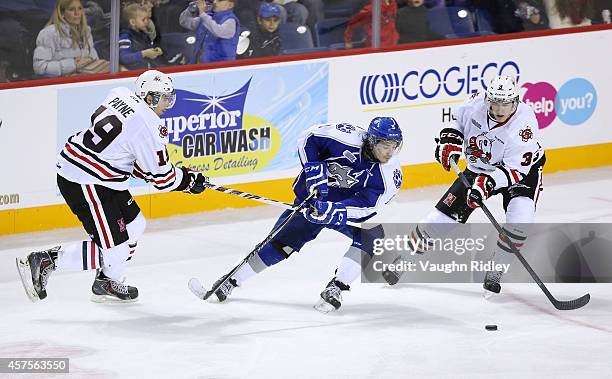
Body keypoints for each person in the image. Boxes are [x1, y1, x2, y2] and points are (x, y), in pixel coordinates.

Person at [16, 70, 208, 303]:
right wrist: (188, 181)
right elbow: (162, 179)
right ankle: (47, 260)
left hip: (98, 174)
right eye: (162, 97)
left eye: (170, 97)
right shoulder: (149, 126)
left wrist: (159, 172)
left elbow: (122, 152)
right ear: (149, 97)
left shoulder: (119, 94)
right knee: (115, 251)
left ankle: (106, 281)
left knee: (135, 225)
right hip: (86, 181)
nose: (168, 103)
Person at [209, 117, 404, 313]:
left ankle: (336, 288)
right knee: (279, 245)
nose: (390, 152)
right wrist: (314, 171)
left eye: (394, 145)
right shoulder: (346, 137)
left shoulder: (390, 174)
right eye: (386, 145)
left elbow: (368, 205)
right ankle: (232, 280)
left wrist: (337, 210)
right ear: (372, 141)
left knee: (372, 235)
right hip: (310, 205)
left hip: (338, 211)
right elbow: (308, 137)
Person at [382, 76, 545, 296]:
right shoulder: (475, 104)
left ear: (515, 101)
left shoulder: (524, 125)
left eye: (505, 103)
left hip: (520, 172)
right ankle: (405, 259)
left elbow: (515, 170)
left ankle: (496, 268)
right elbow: (457, 122)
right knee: (439, 219)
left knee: (521, 219)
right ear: (487, 98)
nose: (498, 109)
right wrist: (449, 141)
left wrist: (485, 185)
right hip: (480, 167)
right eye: (494, 102)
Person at [33, 0, 103, 77]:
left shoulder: (86, 32)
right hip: (60, 85)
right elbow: (39, 68)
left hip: (85, 81)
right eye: (72, 9)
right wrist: (73, 64)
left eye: (80, 8)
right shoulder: (49, 34)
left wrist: (90, 61)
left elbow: (95, 59)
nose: (77, 13)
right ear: (62, 13)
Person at [119, 3, 165, 70]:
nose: (147, 22)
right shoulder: (125, 37)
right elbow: (124, 58)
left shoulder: (143, 34)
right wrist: (144, 53)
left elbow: (148, 49)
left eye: (147, 19)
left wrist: (155, 51)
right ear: (132, 22)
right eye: (143, 19)